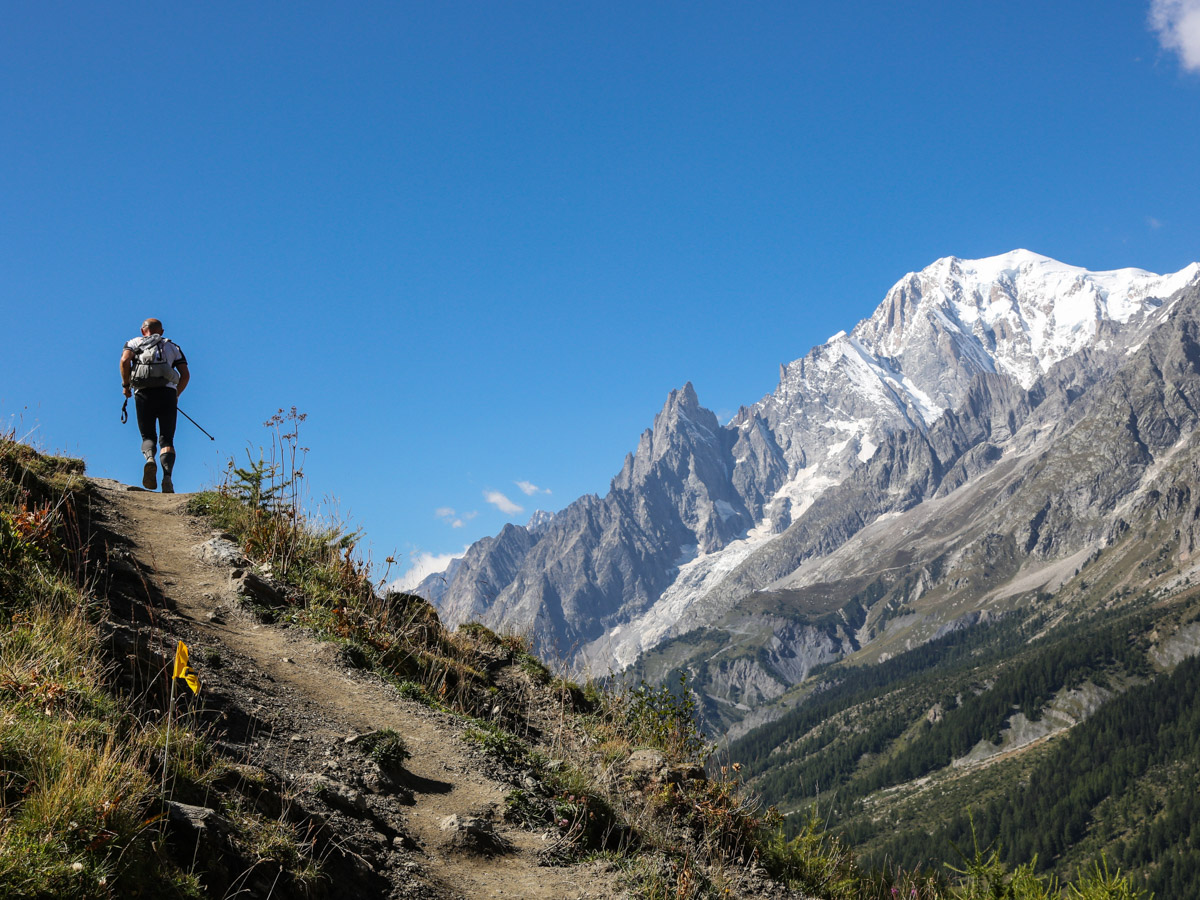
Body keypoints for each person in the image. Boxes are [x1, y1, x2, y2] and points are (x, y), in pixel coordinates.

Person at [120, 318, 190, 493]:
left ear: (143, 330)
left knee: (147, 435)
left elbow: (124, 361)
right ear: (162, 331)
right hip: (167, 394)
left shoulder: (133, 343)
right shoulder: (171, 346)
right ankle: (167, 478)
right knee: (167, 438)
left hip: (143, 393)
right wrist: (176, 394)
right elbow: (185, 374)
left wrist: (126, 386)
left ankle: (149, 459)